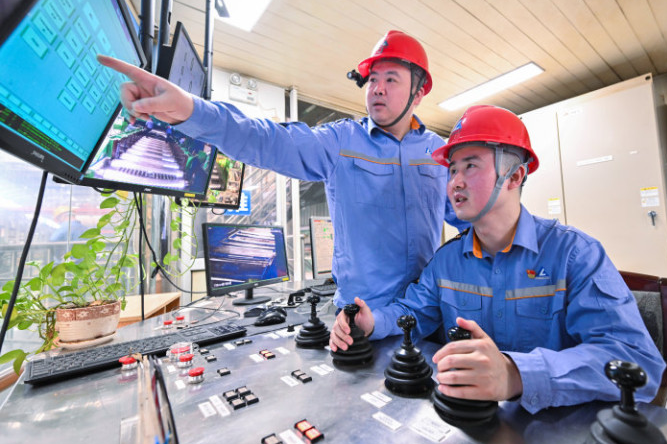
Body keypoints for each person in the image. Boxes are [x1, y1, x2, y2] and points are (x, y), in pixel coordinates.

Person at [329, 105, 665, 414]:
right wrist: (373, 323)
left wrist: (516, 374)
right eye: (452, 170)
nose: (455, 182)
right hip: (469, 425)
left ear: (515, 177)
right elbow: (413, 312)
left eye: (470, 166)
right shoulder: (446, 262)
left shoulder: (575, 255)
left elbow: (636, 361)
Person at [98, 30, 467, 309]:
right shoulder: (341, 142)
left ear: (418, 93)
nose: (377, 89)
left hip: (425, 314)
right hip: (358, 321)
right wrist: (191, 111)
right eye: (372, 79)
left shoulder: (439, 154)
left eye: (391, 79)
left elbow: (472, 223)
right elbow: (269, 140)